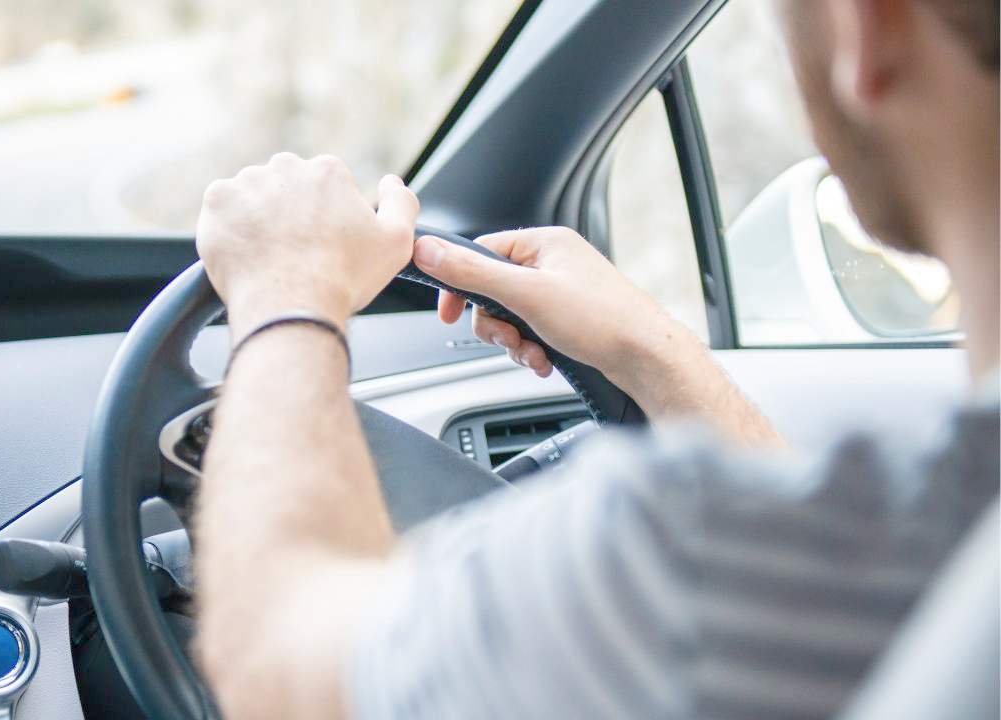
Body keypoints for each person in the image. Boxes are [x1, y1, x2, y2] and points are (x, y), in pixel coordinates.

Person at [190, 1, 999, 718]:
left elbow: (275, 667)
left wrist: (285, 286)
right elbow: (830, 578)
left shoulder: (682, 568)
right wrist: (645, 343)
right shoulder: (933, 545)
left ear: (872, 22)